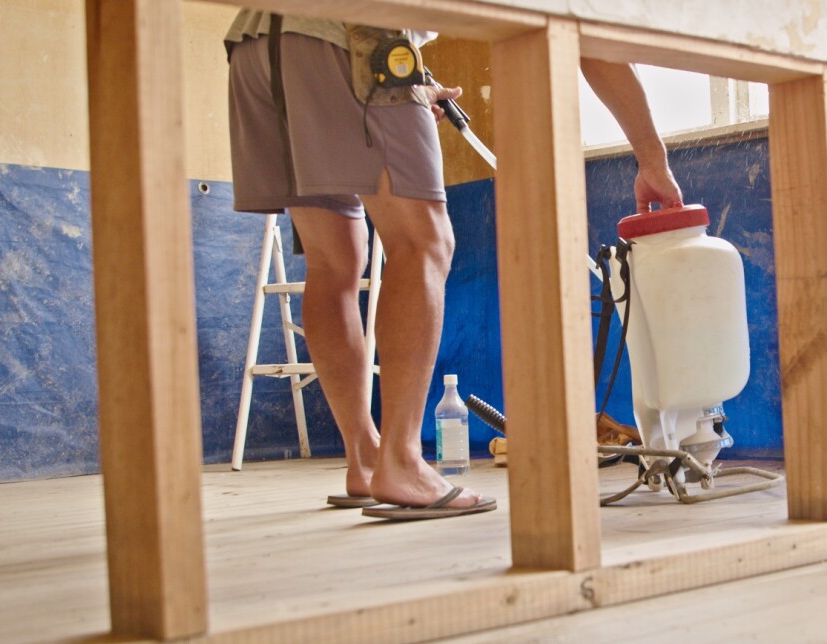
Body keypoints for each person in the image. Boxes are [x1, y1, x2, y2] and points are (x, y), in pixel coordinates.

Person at [225, 11, 683, 519]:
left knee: (334, 263)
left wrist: (408, 81)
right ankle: (401, 460)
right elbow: (595, 36)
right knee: (424, 242)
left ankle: (366, 456)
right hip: (352, 33)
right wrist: (653, 159)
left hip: (259, 44)